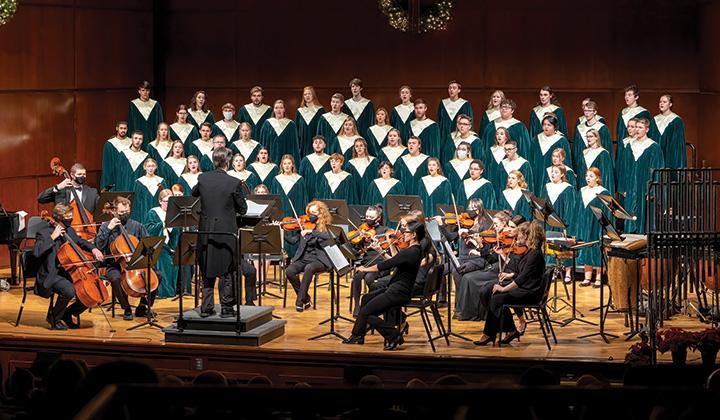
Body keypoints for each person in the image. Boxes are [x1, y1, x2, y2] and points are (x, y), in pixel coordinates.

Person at [343, 218, 427, 350]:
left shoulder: (411, 252)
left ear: (414, 235)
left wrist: (364, 269)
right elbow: (395, 260)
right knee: (366, 298)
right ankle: (357, 335)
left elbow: (384, 265)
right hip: (395, 288)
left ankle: (394, 336)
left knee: (366, 312)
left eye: (406, 232)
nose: (403, 234)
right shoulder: (415, 250)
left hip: (399, 292)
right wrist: (389, 245)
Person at [192, 147, 248, 317]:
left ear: (213, 161)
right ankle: (226, 308)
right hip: (226, 232)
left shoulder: (202, 178)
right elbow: (243, 209)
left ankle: (206, 308)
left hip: (206, 231)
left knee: (206, 268)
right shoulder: (234, 182)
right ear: (228, 162)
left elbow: (194, 193)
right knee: (228, 270)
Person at [473, 221, 546, 346]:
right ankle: (510, 330)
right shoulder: (530, 252)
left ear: (528, 236)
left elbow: (521, 280)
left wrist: (503, 289)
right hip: (525, 288)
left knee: (497, 297)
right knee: (487, 291)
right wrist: (506, 262)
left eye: (520, 234)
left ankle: (489, 334)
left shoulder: (535, 254)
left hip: (530, 292)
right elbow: (520, 271)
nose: (516, 237)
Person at [33, 203, 104, 329]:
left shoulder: (69, 231)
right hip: (51, 274)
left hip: (68, 273)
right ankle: (53, 317)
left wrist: (94, 249)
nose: (70, 219)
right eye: (68, 216)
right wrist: (53, 237)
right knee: (69, 290)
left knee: (90, 293)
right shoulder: (44, 233)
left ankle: (67, 313)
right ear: (59, 217)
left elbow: (80, 242)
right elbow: (37, 252)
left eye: (71, 216)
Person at [95, 196, 156, 320]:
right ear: (114, 211)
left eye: (127, 212)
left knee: (156, 276)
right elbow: (98, 245)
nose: (125, 214)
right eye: (122, 212)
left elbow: (148, 243)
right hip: (114, 264)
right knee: (115, 278)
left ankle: (143, 306)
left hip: (136, 263)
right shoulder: (106, 226)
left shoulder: (136, 225)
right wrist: (108, 229)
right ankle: (126, 307)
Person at [284, 201, 333, 312]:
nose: (310, 215)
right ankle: (306, 298)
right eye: (309, 212)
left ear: (321, 213)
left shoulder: (326, 227)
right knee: (289, 271)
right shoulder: (303, 225)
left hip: (320, 260)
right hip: (304, 258)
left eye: (314, 212)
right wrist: (283, 230)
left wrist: (312, 231)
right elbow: (293, 241)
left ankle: (300, 301)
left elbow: (328, 237)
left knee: (309, 268)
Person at [623, 117, 664, 234]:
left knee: (643, 213)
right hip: (631, 185)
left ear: (647, 129)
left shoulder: (653, 147)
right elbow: (626, 169)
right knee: (630, 212)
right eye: (636, 127)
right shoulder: (630, 146)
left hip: (644, 185)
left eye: (640, 127)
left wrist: (651, 190)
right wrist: (625, 187)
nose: (637, 129)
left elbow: (656, 170)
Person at [539, 165, 579, 282]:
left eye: (556, 172)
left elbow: (570, 207)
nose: (553, 174)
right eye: (552, 172)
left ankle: (567, 273)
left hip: (562, 221)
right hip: (549, 220)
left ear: (562, 174)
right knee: (549, 245)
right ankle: (551, 271)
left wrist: (565, 223)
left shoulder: (568, 188)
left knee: (563, 247)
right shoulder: (547, 187)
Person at [349, 205, 389, 316]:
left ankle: (371, 306)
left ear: (378, 218)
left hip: (380, 263)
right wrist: (358, 243)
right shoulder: (362, 229)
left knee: (369, 278)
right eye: (366, 216)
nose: (368, 219)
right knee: (357, 277)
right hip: (366, 263)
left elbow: (388, 248)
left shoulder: (385, 230)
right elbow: (356, 252)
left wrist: (379, 242)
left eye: (371, 217)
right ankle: (357, 306)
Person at [576, 167, 612, 288]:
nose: (588, 178)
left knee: (597, 249)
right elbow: (578, 209)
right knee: (586, 247)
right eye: (587, 176)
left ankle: (598, 277)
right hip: (584, 224)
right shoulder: (582, 190)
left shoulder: (603, 192)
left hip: (597, 224)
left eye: (591, 176)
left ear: (597, 178)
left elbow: (607, 211)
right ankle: (587, 277)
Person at [144, 189, 181, 298]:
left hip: (171, 245)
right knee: (164, 261)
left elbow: (177, 231)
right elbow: (148, 229)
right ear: (160, 201)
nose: (169, 204)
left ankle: (173, 290)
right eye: (166, 201)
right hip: (158, 246)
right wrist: (163, 224)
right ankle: (162, 292)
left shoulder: (174, 213)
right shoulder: (153, 212)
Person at [529, 114, 571, 195]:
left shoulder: (561, 140)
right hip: (537, 173)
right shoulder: (536, 140)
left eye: (549, 125)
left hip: (554, 174)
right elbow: (531, 158)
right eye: (544, 124)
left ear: (554, 127)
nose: (546, 127)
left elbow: (566, 161)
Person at [572, 100, 614, 168]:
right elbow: (576, 150)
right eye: (585, 111)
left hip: (599, 164)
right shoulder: (579, 128)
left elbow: (607, 148)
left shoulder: (602, 128)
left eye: (589, 111)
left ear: (595, 112)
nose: (586, 113)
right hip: (582, 165)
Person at [259, 99, 300, 165]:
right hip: (270, 160)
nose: (278, 110)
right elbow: (263, 143)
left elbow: (294, 146)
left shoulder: (290, 124)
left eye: (281, 108)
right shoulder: (267, 124)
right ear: (274, 110)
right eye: (276, 108)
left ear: (284, 110)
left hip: (286, 161)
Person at [576, 128, 615, 195]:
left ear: (596, 138)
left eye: (591, 136)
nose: (588, 139)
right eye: (587, 136)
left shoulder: (603, 153)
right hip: (584, 185)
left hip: (597, 187)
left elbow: (605, 175)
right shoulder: (584, 152)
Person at [270, 155, 308, 220]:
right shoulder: (276, 179)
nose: (287, 166)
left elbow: (303, 199)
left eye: (289, 163)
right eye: (284, 163)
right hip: (280, 213)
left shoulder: (299, 180)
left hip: (296, 212)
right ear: (282, 165)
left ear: (292, 165)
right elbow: (273, 200)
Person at [127, 81, 164, 149]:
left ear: (149, 91)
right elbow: (130, 123)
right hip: (138, 139)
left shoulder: (155, 105)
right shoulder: (133, 105)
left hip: (153, 137)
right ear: (139, 91)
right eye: (143, 90)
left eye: (147, 90)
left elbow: (160, 123)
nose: (145, 92)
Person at [654, 94, 687, 169]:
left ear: (670, 104)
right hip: (657, 154)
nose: (661, 104)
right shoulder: (655, 120)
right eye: (660, 102)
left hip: (670, 155)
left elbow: (678, 144)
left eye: (664, 102)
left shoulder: (676, 121)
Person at [130, 158, 168, 224]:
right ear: (144, 167)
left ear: (156, 167)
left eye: (153, 166)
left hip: (158, 213)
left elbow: (166, 198)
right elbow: (136, 202)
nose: (151, 168)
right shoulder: (139, 182)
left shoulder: (161, 181)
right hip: (143, 213)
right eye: (148, 166)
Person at [298, 135, 331, 201]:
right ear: (313, 145)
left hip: (324, 193)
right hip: (308, 193)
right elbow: (301, 178)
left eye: (320, 142)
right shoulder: (306, 160)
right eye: (315, 142)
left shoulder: (329, 160)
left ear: (324, 145)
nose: (318, 144)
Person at [295, 86, 325, 157]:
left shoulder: (320, 111)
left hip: (316, 143)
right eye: (305, 94)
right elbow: (296, 129)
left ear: (313, 95)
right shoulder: (300, 111)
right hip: (303, 143)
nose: (307, 96)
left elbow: (322, 129)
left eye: (309, 94)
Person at [346, 138, 378, 204]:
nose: (359, 148)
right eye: (356, 146)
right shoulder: (350, 164)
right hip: (355, 192)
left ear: (365, 147)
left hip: (369, 192)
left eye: (361, 145)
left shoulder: (374, 161)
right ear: (354, 148)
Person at [100, 121, 130, 190]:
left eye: (125, 128)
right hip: (115, 176)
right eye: (121, 128)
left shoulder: (131, 142)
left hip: (128, 174)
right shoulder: (110, 144)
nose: (123, 130)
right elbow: (107, 165)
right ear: (117, 128)